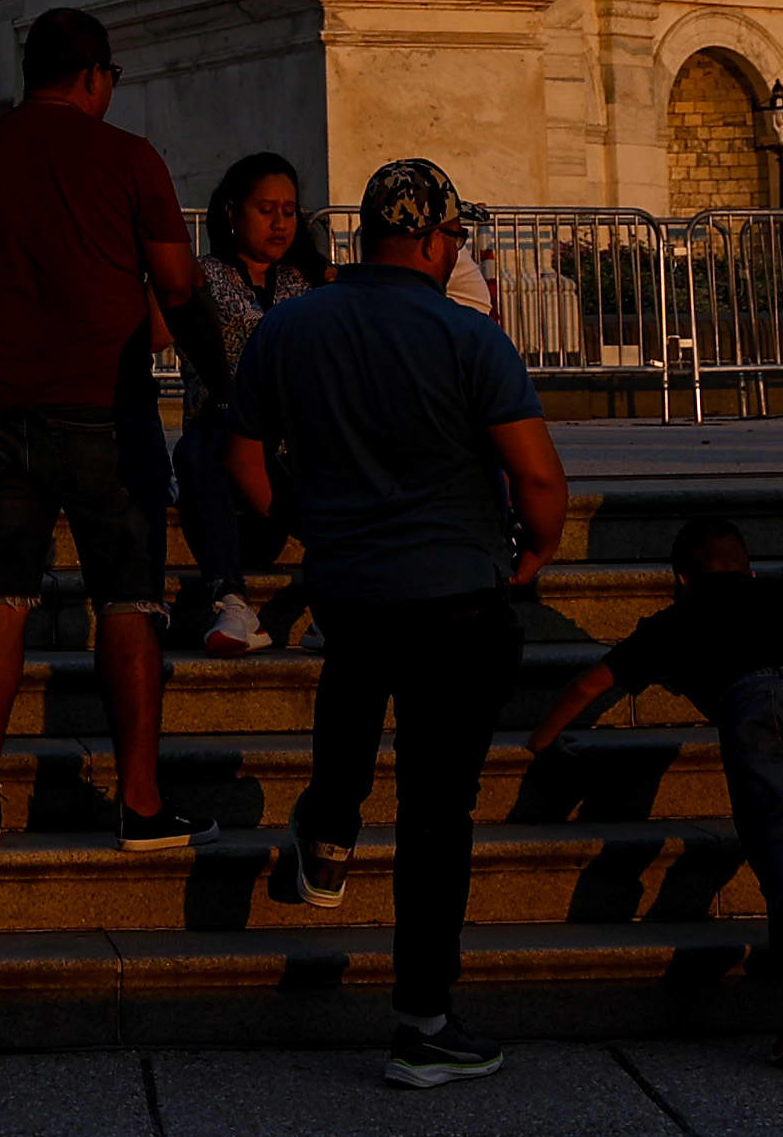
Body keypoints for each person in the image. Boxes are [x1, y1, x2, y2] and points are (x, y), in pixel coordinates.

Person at [223, 156, 572, 1093]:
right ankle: (422, 1021)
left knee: (352, 679)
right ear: (430, 239)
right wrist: (535, 549)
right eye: (454, 238)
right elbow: (536, 479)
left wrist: (309, 526)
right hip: (456, 591)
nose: (453, 250)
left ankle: (330, 825)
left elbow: (247, 466)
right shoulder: (469, 337)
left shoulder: (288, 327)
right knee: (435, 812)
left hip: (349, 580)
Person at [0, 5, 224, 855]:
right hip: (109, 412)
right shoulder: (129, 160)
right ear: (91, 74)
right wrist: (225, 381)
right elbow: (180, 288)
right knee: (129, 603)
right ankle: (141, 802)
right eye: (110, 78)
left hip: (1, 412)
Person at [529, 516, 783, 1072]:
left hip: (752, 710)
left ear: (681, 579)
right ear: (749, 568)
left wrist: (539, 742)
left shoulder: (680, 617)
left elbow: (590, 685)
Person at [177, 150, 332, 653]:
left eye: (289, 211)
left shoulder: (308, 281)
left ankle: (337, 604)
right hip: (221, 441)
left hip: (293, 449)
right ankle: (233, 603)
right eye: (266, 210)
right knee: (199, 449)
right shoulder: (201, 276)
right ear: (231, 211)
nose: (280, 223)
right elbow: (151, 329)